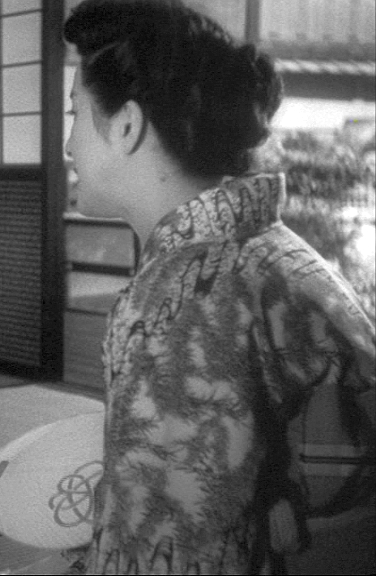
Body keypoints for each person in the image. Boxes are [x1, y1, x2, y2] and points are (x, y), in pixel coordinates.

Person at [63, 0, 375, 574]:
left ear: (126, 126)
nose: (68, 146)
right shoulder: (276, 253)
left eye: (75, 113)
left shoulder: (182, 303)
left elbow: (165, 553)